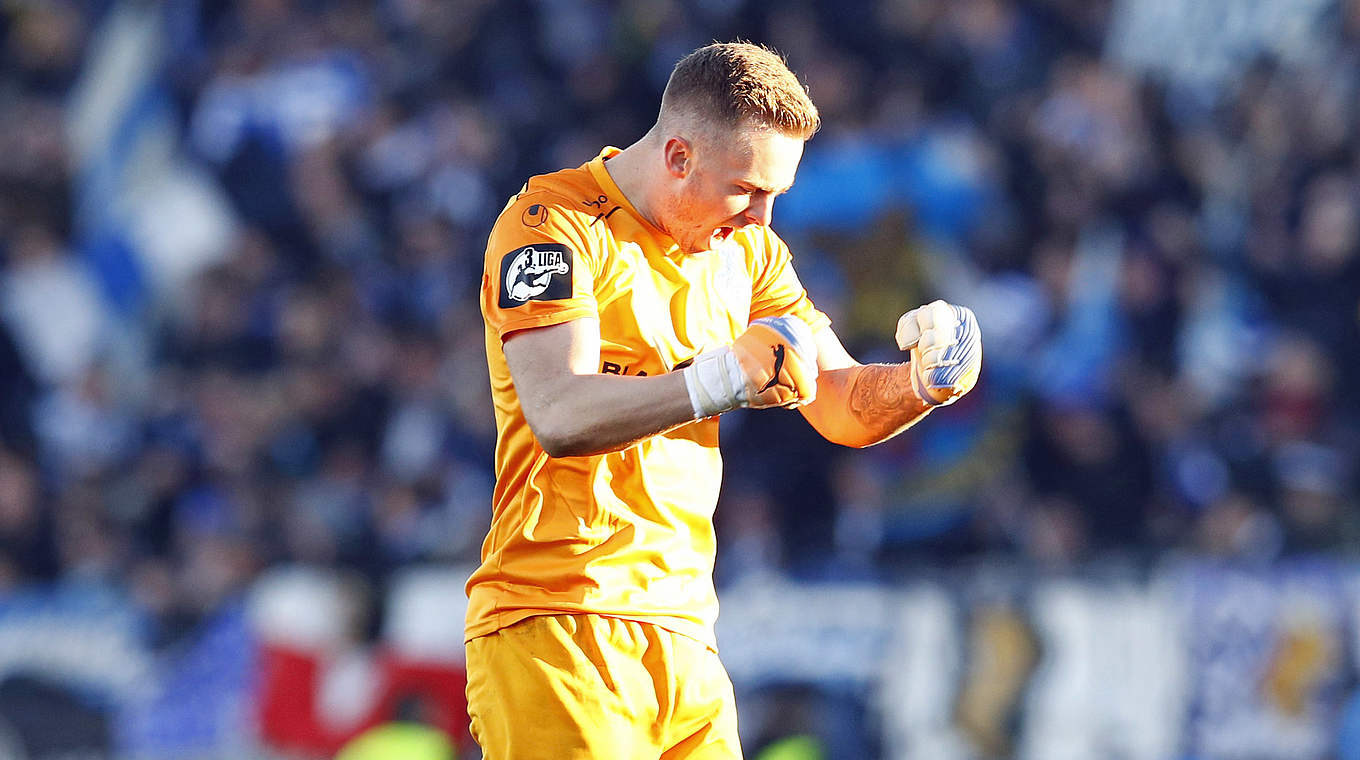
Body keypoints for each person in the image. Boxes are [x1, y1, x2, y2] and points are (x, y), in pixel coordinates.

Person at [466, 42, 981, 759]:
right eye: (746, 189)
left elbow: (837, 401)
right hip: (561, 621)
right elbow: (558, 412)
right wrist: (714, 382)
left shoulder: (746, 254)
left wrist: (925, 382)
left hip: (686, 638)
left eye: (776, 195)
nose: (762, 218)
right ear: (678, 156)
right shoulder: (551, 229)